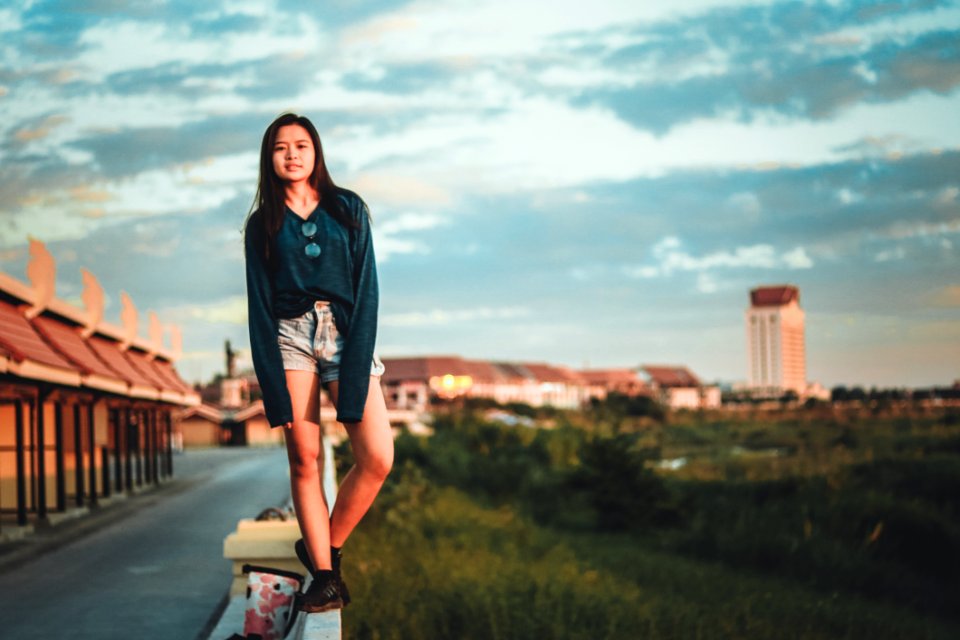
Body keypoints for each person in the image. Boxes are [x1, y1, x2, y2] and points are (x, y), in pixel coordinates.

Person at [243, 112, 393, 613]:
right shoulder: (262, 224)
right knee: (304, 459)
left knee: (377, 457)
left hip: (346, 333)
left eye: (301, 145)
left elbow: (367, 289)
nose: (292, 154)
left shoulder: (348, 209)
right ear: (269, 157)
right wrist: (270, 385)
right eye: (281, 147)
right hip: (290, 338)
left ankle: (323, 545)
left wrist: (352, 368)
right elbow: (259, 308)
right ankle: (327, 577)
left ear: (316, 152)